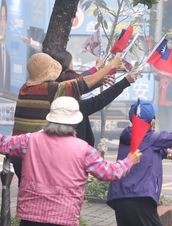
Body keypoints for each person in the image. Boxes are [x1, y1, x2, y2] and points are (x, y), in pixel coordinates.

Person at [0, 96, 141, 226]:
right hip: (64, 217)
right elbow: (110, 173)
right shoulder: (84, 150)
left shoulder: (30, 140)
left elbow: (3, 143)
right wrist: (129, 161)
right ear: (75, 123)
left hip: (30, 216)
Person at [11, 53, 124, 180]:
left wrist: (98, 77)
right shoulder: (51, 90)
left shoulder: (25, 89)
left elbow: (80, 83)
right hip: (35, 155)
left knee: (26, 191)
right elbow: (82, 83)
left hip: (18, 152)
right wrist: (110, 66)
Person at [107, 100, 172, 226]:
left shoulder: (126, 136)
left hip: (120, 197)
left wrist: (163, 153)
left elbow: (145, 148)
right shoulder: (153, 138)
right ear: (152, 121)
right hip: (140, 197)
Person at [52, 50, 138, 146]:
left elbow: (84, 82)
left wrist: (99, 77)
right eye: (72, 63)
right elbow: (99, 99)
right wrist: (124, 81)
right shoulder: (73, 105)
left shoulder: (51, 91)